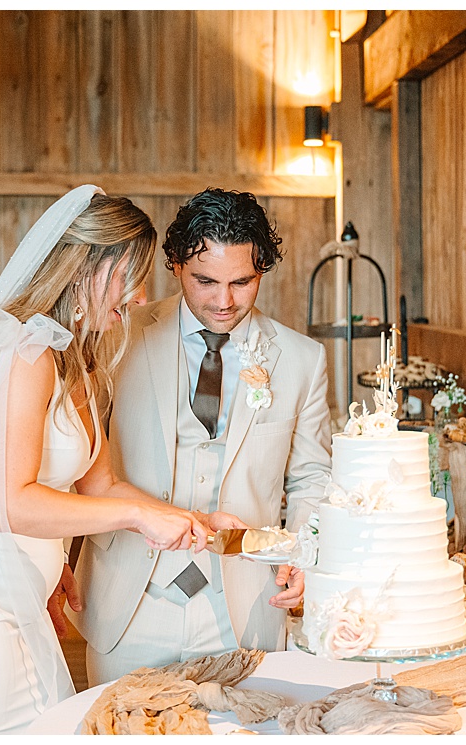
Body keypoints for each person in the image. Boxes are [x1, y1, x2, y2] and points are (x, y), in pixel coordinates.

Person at [0, 186, 211, 734]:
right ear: (83, 269)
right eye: (129, 276)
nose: (140, 296)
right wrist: (139, 518)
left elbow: (102, 489)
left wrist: (195, 521)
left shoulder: (84, 365)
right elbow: (12, 504)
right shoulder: (26, 351)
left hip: (22, 603)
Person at [69, 188, 334, 684]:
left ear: (262, 271)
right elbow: (73, 461)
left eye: (242, 282)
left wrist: (304, 554)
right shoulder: (115, 335)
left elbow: (311, 477)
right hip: (127, 604)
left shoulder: (303, 359)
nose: (224, 301)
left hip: (245, 606)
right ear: (174, 265)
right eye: (206, 281)